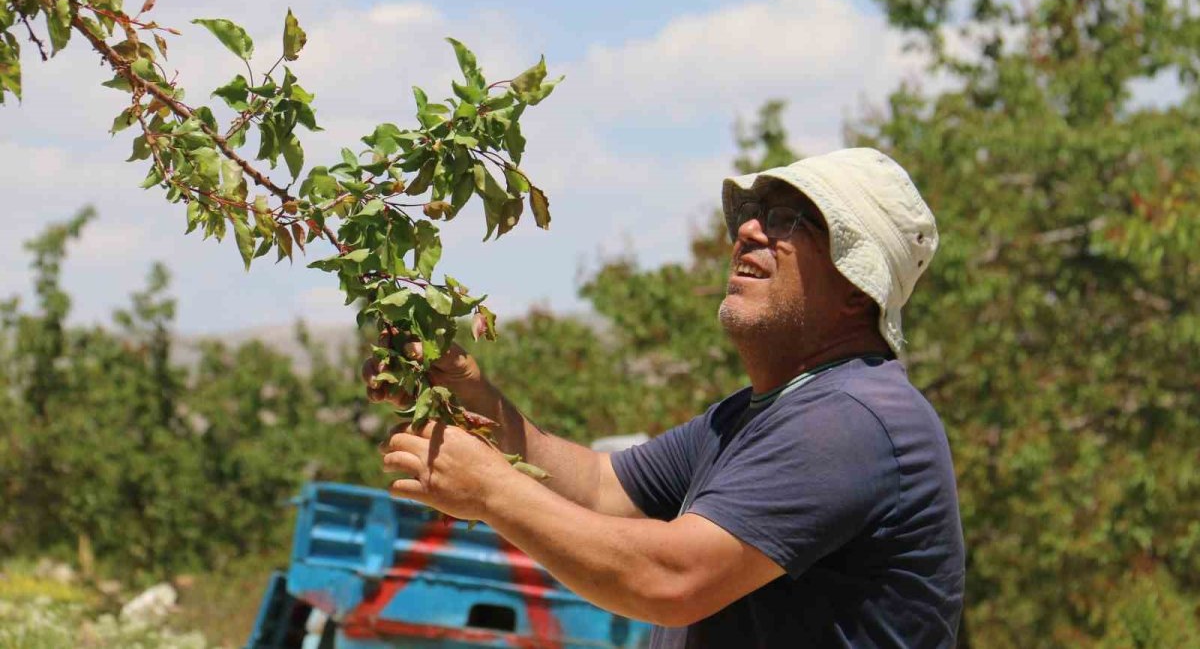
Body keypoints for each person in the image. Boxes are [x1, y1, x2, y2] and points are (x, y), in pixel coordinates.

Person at [365, 148, 965, 648]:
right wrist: (472, 394)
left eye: (788, 219)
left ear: (858, 290)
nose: (749, 230)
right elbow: (599, 487)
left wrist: (492, 490)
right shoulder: (752, 417)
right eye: (753, 214)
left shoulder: (852, 420)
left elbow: (672, 579)